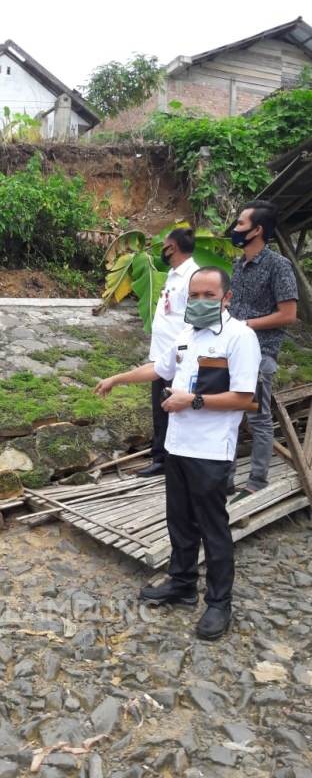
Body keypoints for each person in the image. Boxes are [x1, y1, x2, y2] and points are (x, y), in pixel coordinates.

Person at [95, 267, 261, 640]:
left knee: (213, 529)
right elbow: (159, 369)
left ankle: (219, 603)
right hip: (178, 447)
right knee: (180, 524)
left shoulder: (240, 337)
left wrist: (194, 400)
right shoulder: (186, 335)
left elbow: (245, 398)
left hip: (211, 453)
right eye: (195, 295)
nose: (200, 301)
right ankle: (183, 584)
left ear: (226, 298)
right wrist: (117, 379)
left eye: (209, 295)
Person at [228, 200, 298, 499]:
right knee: (229, 413)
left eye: (241, 224)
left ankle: (257, 479)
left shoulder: (278, 266)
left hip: (258, 355)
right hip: (231, 353)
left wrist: (245, 325)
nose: (235, 229)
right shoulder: (238, 264)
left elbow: (288, 315)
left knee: (257, 417)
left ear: (258, 230)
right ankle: (226, 479)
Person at [138, 227, 200, 478]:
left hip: (179, 358)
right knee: (160, 407)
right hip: (161, 356)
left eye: (164, 245)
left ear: (172, 248)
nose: (161, 249)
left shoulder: (193, 276)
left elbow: (193, 320)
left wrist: (182, 353)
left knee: (176, 409)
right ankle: (161, 458)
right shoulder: (174, 274)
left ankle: (176, 460)